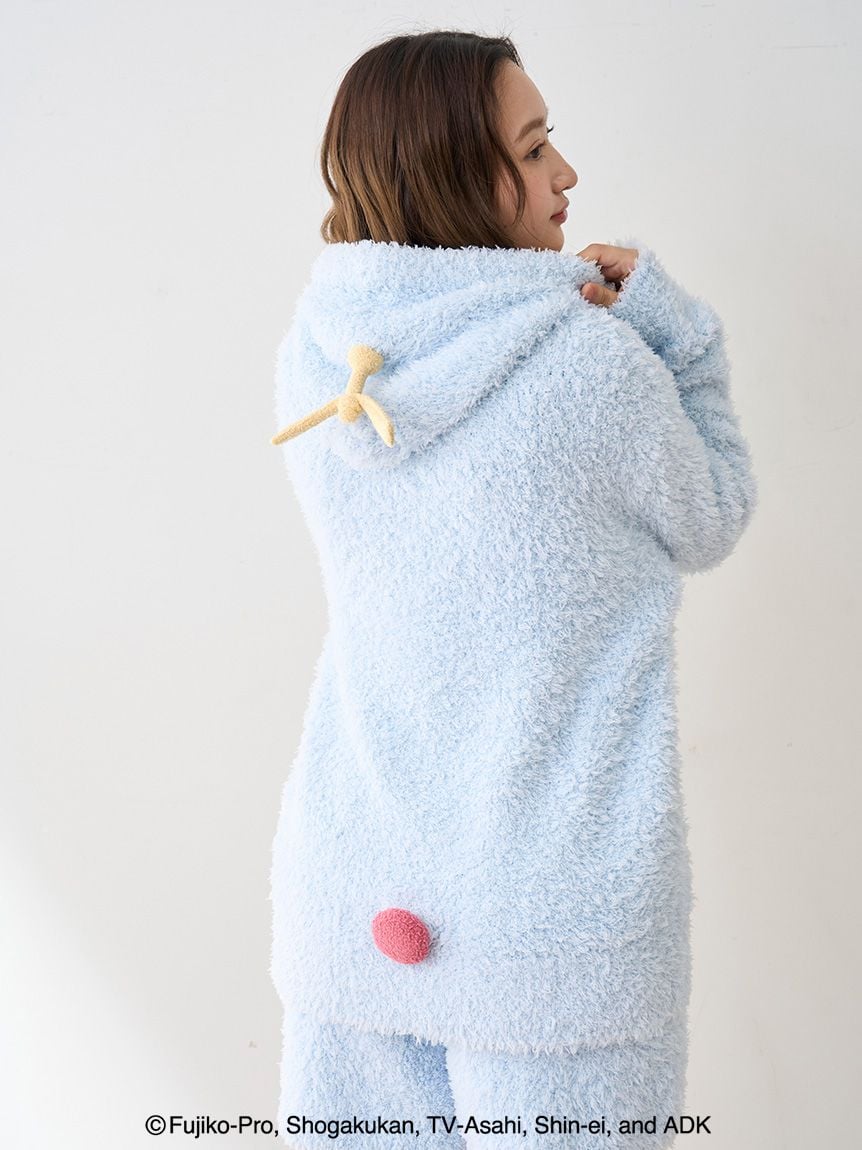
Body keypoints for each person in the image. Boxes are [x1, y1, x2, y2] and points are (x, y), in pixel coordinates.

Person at [268, 29, 758, 1150]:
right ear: (453, 170)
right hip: (554, 937)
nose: (565, 175)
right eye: (534, 149)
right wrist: (676, 334)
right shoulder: (592, 366)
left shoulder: (321, 363)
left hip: (354, 897)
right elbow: (714, 510)